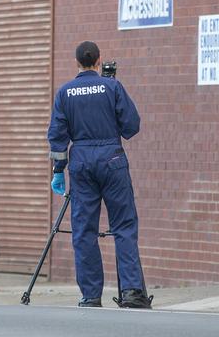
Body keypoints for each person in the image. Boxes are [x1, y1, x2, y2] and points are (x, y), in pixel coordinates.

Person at [47, 41, 151, 309]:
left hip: (80, 162)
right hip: (112, 159)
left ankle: (91, 296)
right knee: (124, 226)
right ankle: (131, 292)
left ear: (77, 62)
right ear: (99, 60)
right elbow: (132, 125)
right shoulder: (112, 87)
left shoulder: (64, 92)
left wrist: (59, 171)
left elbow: (57, 136)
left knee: (83, 230)